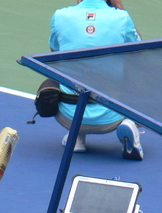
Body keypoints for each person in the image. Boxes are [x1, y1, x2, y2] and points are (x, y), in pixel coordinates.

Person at [49, 0, 144, 159]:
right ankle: (129, 123)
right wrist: (120, 8)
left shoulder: (60, 15)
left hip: (69, 115)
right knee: (135, 73)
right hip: (110, 117)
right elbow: (138, 51)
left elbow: (55, 54)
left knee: (66, 69)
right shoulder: (121, 17)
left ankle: (77, 136)